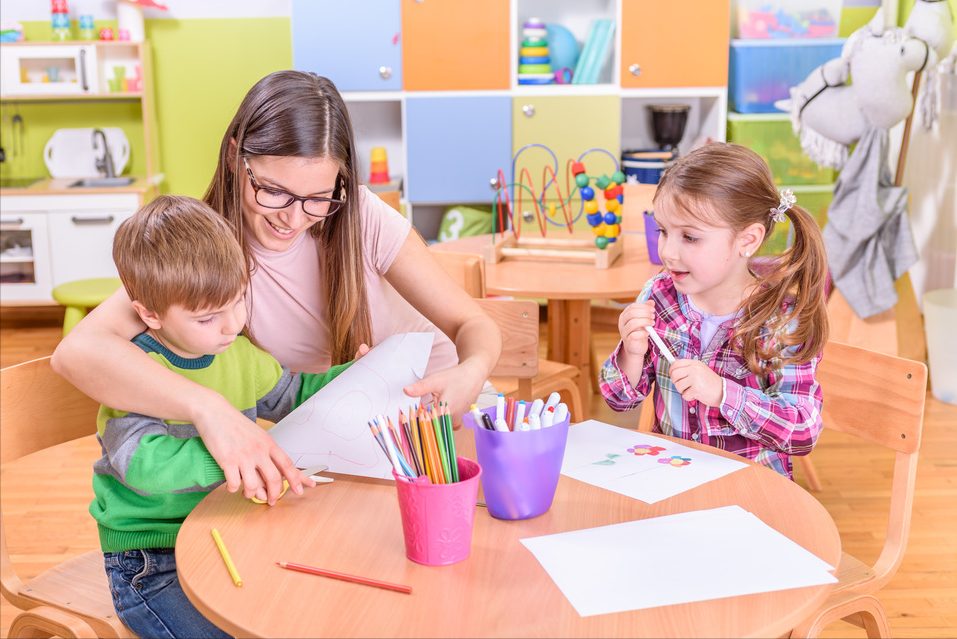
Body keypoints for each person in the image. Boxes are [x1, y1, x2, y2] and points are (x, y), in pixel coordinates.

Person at [52, 71, 502, 504]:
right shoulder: (206, 254)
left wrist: (473, 369)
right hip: (344, 443)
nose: (293, 217)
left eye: (317, 197)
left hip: (437, 421)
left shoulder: (358, 216)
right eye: (273, 191)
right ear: (235, 158)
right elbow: (77, 352)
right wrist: (208, 408)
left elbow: (473, 324)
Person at [93, 195, 356, 639]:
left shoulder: (238, 353)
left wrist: (362, 375)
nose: (232, 325)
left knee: (312, 611)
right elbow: (143, 466)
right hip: (151, 560)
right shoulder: (134, 375)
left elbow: (294, 395)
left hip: (230, 532)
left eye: (239, 301)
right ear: (149, 315)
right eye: (209, 317)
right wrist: (234, 456)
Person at [599, 142, 829, 479]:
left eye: (690, 237)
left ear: (747, 241)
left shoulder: (782, 320)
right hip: (671, 480)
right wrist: (630, 355)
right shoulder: (658, 296)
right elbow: (619, 401)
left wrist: (723, 394)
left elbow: (802, 430)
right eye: (663, 231)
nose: (668, 252)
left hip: (751, 492)